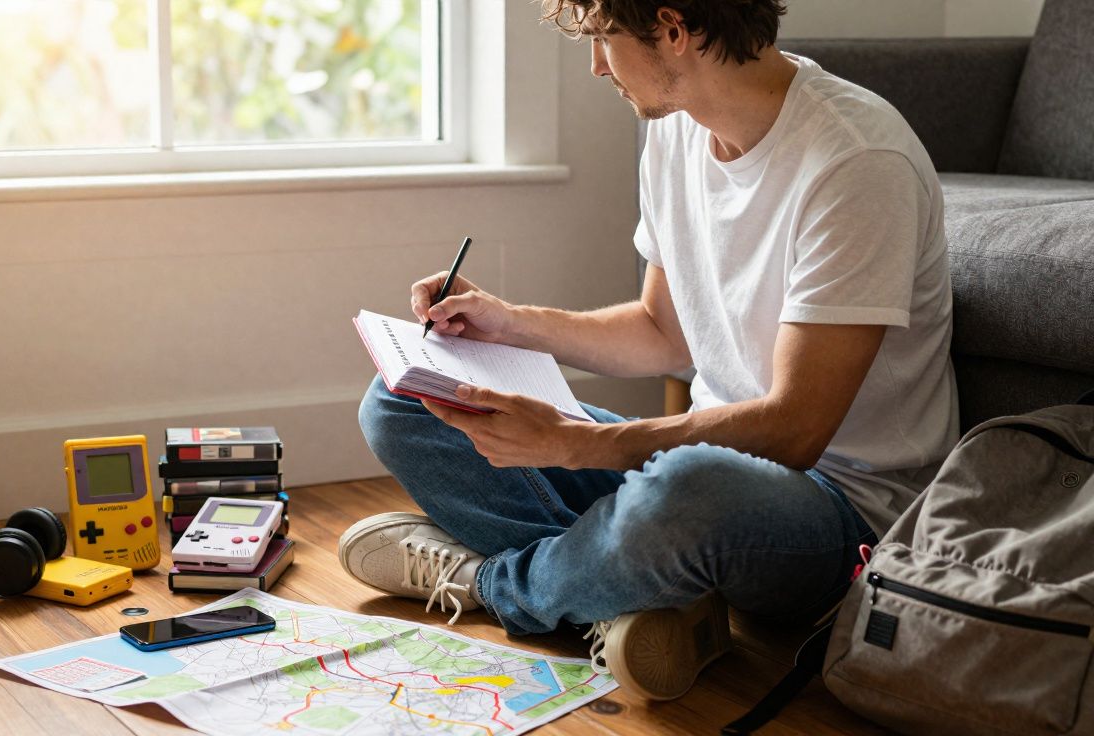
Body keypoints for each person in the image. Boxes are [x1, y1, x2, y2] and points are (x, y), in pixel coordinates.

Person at [338, 0, 958, 701]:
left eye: (604, 39)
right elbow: (662, 332)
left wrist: (574, 444)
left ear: (673, 28)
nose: (598, 65)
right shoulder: (678, 132)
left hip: (840, 513)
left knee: (686, 492)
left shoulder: (856, 160)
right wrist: (508, 324)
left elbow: (795, 430)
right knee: (402, 399)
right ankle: (625, 587)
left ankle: (494, 583)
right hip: (693, 470)